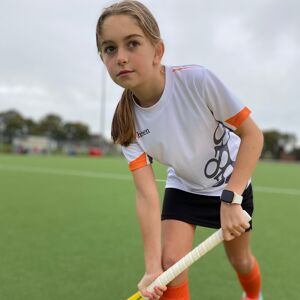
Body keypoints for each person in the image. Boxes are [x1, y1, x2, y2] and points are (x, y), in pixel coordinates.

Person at [96, 1, 264, 299]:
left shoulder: (196, 81)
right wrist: (151, 268)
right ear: (102, 58)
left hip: (232, 186)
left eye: (132, 43)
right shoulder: (126, 124)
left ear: (157, 51)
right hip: (185, 187)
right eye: (110, 49)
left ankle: (253, 296)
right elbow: (146, 195)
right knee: (169, 267)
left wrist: (231, 198)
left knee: (240, 260)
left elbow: (252, 136)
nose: (121, 57)